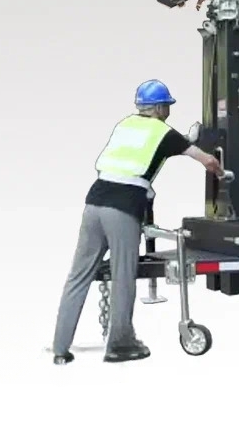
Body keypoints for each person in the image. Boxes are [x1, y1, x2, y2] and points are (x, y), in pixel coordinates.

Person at [51, 79, 222, 365]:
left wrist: (185, 140)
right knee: (123, 275)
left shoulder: (125, 125)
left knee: (78, 276)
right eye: (167, 106)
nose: (168, 110)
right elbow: (206, 160)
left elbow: (146, 151)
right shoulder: (164, 133)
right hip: (123, 209)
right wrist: (222, 173)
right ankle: (120, 345)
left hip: (94, 203)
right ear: (160, 108)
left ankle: (60, 348)